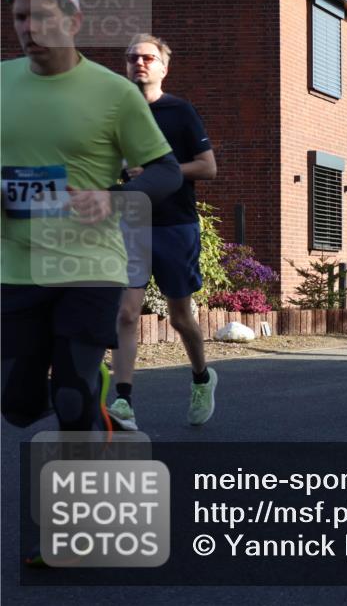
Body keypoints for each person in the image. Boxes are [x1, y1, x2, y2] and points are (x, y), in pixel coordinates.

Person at [1, 0, 182, 438]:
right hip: (16, 265)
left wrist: (114, 197)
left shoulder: (114, 93)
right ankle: (83, 390)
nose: (28, 27)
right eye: (20, 16)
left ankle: (83, 412)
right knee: (17, 405)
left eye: (41, 15)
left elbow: (165, 169)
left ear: (73, 21)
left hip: (89, 262)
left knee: (70, 398)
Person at [109, 34, 218, 431]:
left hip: (175, 224)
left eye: (148, 57)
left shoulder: (180, 111)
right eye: (132, 57)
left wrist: (161, 171)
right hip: (132, 223)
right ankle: (123, 401)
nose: (140, 63)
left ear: (163, 67)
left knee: (179, 316)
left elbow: (208, 167)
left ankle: (202, 376)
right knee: (125, 312)